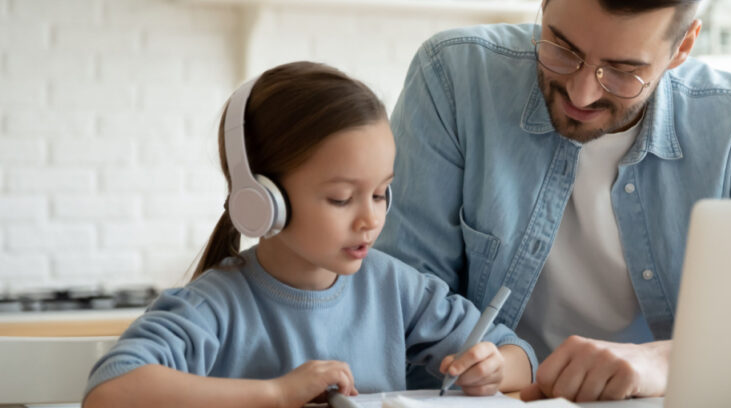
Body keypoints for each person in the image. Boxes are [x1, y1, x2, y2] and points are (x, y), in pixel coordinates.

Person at [376, 0, 731, 402]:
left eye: (624, 70)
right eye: (562, 49)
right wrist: (506, 367)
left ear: (683, 46)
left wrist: (662, 360)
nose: (581, 93)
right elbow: (400, 294)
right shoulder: (454, 78)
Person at [82, 62, 535, 408]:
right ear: (262, 200)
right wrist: (277, 393)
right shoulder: (214, 305)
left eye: (380, 194)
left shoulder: (396, 287)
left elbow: (520, 355)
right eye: (341, 198)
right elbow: (110, 390)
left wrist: (492, 369)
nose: (370, 220)